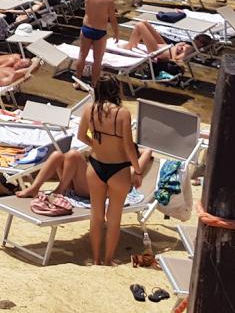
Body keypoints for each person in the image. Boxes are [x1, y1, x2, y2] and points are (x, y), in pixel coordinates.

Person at [77, 75, 142, 266]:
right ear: (116, 90)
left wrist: (96, 145)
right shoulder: (122, 113)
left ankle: (96, 259)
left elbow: (81, 136)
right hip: (118, 169)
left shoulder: (89, 109)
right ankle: (108, 260)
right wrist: (137, 171)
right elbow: (129, 147)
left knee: (96, 216)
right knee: (114, 218)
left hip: (95, 165)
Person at [15, 147, 153, 200]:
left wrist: (139, 152)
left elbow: (147, 151)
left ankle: (61, 189)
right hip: (85, 184)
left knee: (74, 155)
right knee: (57, 154)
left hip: (93, 192)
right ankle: (34, 188)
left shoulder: (128, 171)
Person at [76, 0, 118, 89]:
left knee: (82, 56)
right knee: (97, 60)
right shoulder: (108, 0)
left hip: (86, 29)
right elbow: (113, 20)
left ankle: (78, 82)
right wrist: (116, 33)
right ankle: (94, 84)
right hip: (100, 31)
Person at [122, 20, 209, 63]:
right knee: (144, 22)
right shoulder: (189, 46)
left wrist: (176, 48)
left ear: (200, 44)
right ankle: (133, 44)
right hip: (165, 46)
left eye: (197, 39)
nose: (195, 38)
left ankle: (129, 46)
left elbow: (176, 60)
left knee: (139, 25)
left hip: (157, 52)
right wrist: (178, 46)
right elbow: (178, 45)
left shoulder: (191, 50)